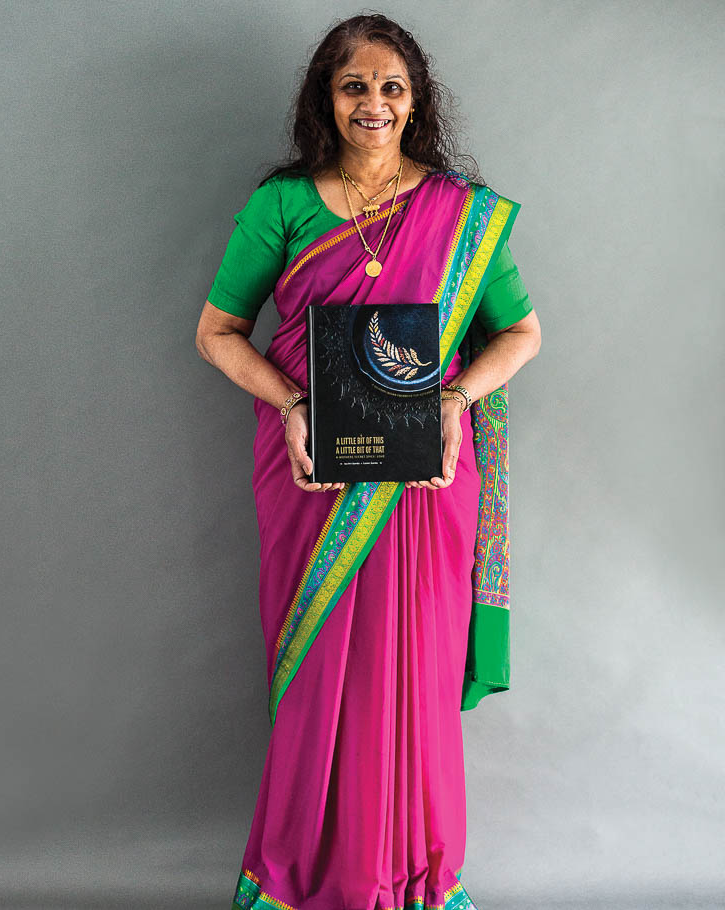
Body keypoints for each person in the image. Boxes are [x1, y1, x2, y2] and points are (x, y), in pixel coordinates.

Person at [195, 13, 541, 910]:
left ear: (415, 98)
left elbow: (522, 334)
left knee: (414, 680)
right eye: (355, 86)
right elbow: (217, 334)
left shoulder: (461, 214)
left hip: (426, 484)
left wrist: (458, 401)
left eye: (392, 87)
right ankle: (304, 875)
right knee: (318, 685)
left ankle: (415, 875)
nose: (374, 104)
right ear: (327, 98)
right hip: (313, 471)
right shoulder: (283, 205)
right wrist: (295, 405)